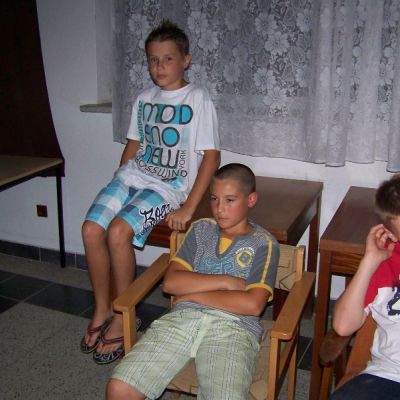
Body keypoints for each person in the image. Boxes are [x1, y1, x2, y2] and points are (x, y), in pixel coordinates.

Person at [80, 20, 220, 365]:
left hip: (169, 187)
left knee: (118, 232)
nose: (159, 66)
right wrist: (119, 179)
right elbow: (134, 144)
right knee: (91, 229)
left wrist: (189, 206)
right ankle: (101, 308)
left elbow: (211, 157)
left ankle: (122, 315)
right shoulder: (144, 99)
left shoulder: (197, 98)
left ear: (185, 60)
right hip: (132, 177)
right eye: (153, 60)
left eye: (168, 59)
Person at [106, 163, 280, 400]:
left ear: (251, 200)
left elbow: (253, 305)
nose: (219, 209)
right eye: (214, 199)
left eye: (230, 200)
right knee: (118, 388)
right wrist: (227, 282)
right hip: (182, 319)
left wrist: (191, 295)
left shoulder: (263, 243)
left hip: (232, 329)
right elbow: (171, 283)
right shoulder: (201, 230)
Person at [329, 174, 400, 400]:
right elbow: (343, 326)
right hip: (389, 377)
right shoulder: (385, 263)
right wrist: (369, 262)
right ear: (392, 234)